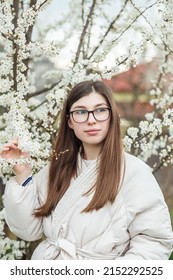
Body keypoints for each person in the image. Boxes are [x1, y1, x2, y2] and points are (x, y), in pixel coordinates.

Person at [0, 80, 173, 260]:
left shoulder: (134, 173)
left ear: (112, 116)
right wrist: (22, 174)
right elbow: (29, 231)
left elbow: (154, 241)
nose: (91, 120)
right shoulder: (56, 169)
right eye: (81, 112)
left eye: (100, 110)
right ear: (70, 122)